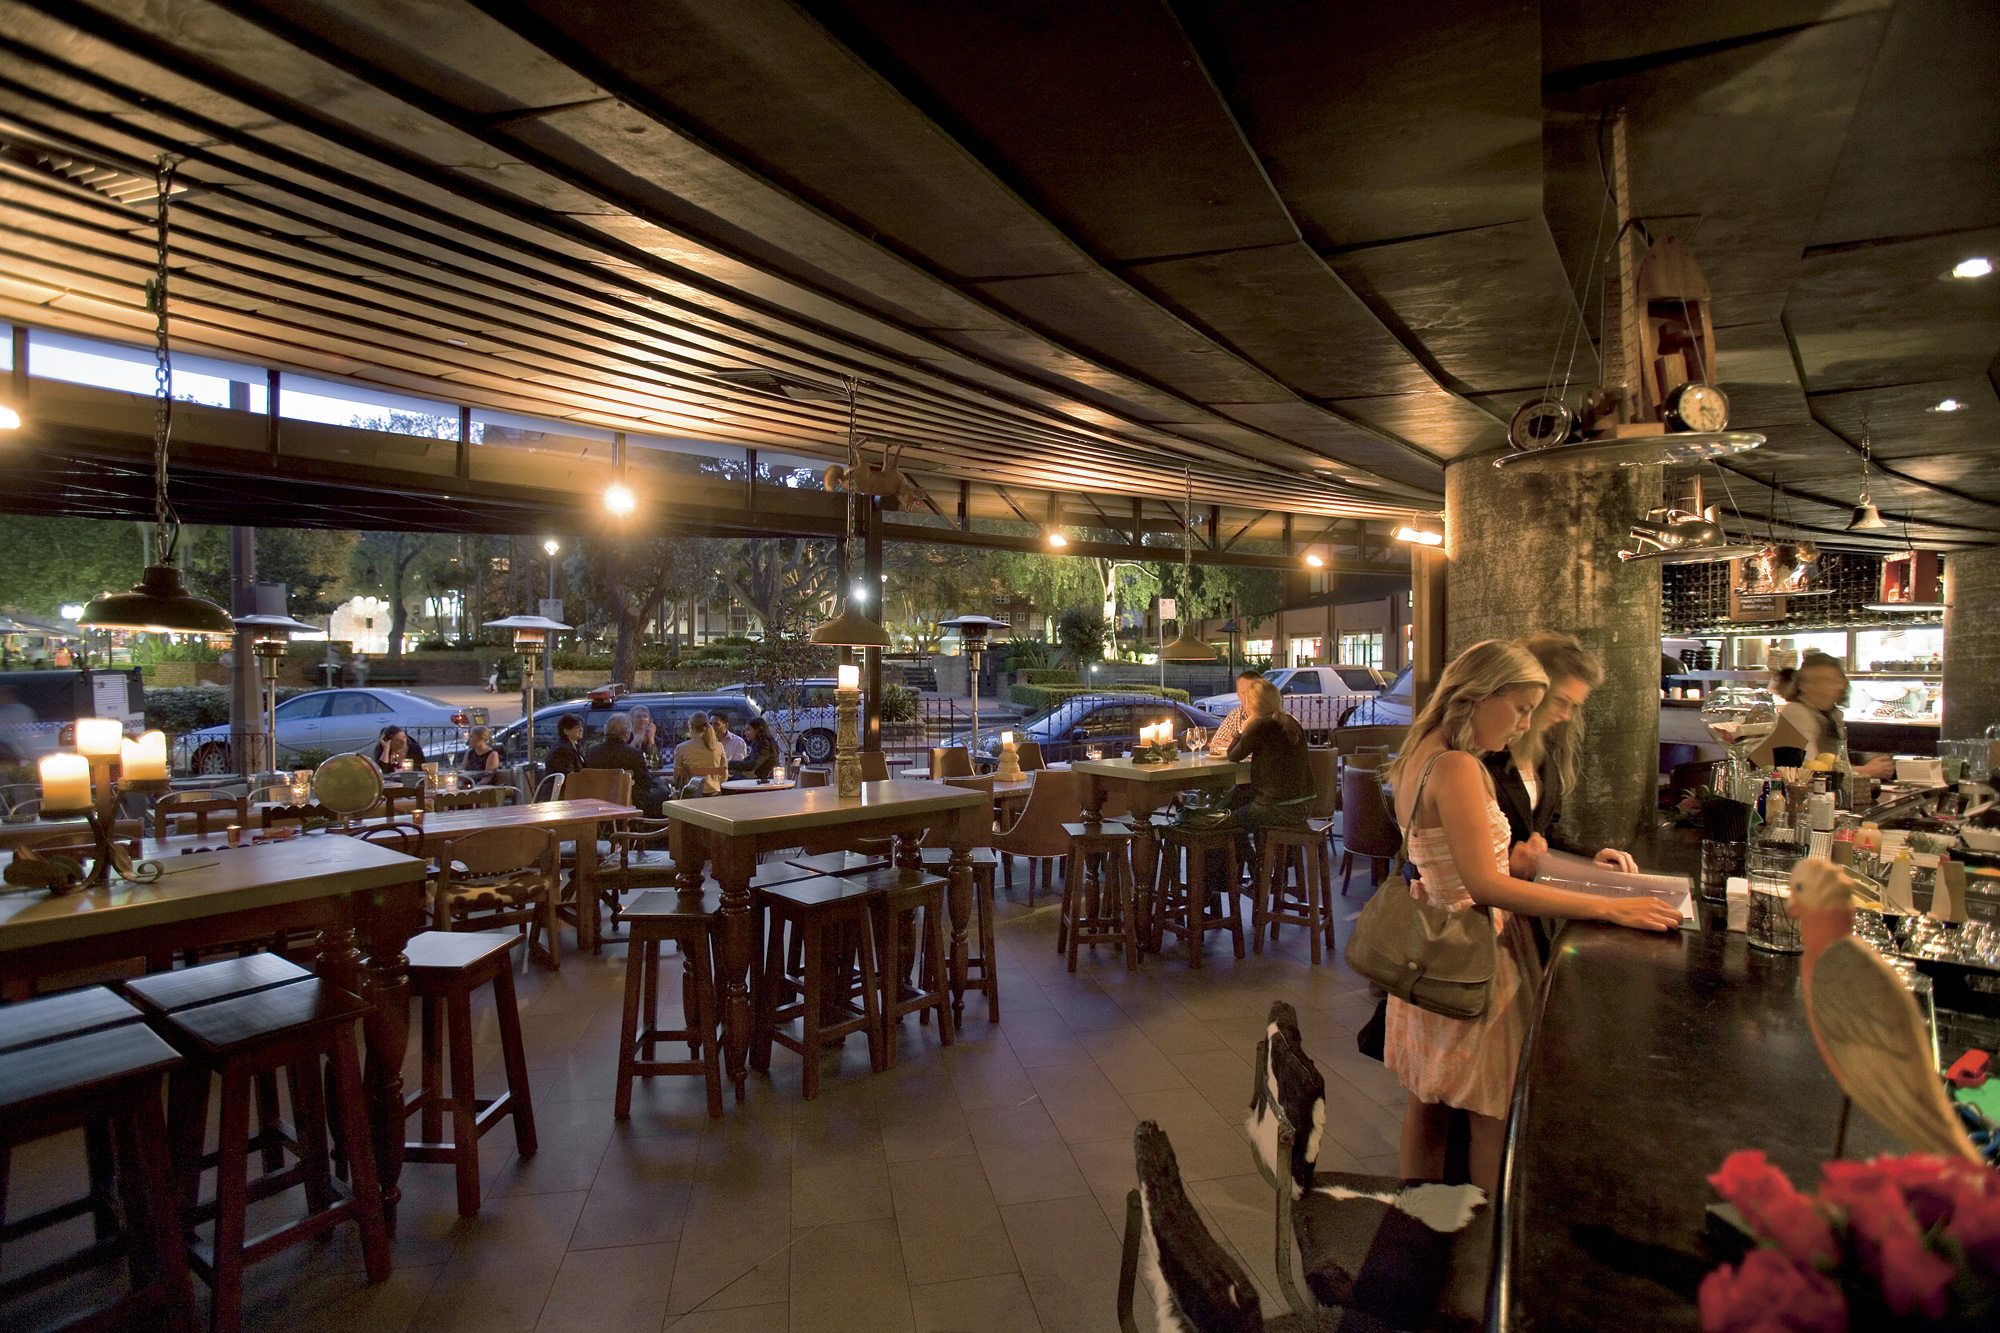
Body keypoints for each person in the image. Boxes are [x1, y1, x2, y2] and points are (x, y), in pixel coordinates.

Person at [1385, 639, 1681, 1194]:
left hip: (1428, 950)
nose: (1525, 726)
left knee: (1426, 1106)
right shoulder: (1457, 765)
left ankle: (1417, 1231)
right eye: (1521, 708)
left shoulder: (1415, 755)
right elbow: (1486, 885)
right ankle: (1489, 1254)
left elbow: (1443, 859)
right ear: (1479, 694)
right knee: (1492, 1118)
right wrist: (1610, 906)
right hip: (1477, 955)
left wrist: (1519, 860)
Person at [1485, 633, 1639, 881]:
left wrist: (1591, 859)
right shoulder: (1483, 751)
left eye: (1574, 706)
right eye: (1560, 701)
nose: (1567, 715)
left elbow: (1546, 833)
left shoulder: (1544, 748)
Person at [1748, 652, 1895, 778]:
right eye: (1818, 681)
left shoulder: (1833, 714)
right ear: (1803, 685)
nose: (1831, 686)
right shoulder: (1796, 713)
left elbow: (1833, 765)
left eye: (1832, 680)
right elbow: (1808, 772)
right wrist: (1867, 771)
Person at [1223, 677, 1316, 838]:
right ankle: (1252, 860)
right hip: (1304, 805)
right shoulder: (1292, 723)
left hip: (1278, 808)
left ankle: (1243, 860)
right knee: (1239, 792)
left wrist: (1242, 729)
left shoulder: (1259, 725)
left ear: (1252, 704)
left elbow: (1233, 756)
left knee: (1224, 823)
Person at [584, 712, 661, 815]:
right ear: (627, 732)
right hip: (627, 801)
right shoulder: (634, 754)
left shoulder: (591, 752)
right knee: (662, 792)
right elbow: (645, 782)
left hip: (597, 802)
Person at [1205, 668, 1264, 755]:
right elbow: (1215, 745)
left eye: (1252, 692)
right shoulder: (1235, 715)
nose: (1248, 696)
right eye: (1244, 693)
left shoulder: (1272, 717)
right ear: (1238, 695)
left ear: (1262, 692)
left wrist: (1235, 745)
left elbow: (1268, 751)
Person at [672, 713, 726, 796]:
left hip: (690, 794)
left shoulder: (681, 748)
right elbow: (724, 774)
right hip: (714, 792)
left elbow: (677, 776)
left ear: (691, 726)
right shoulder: (718, 746)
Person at [546, 713, 587, 779]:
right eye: (577, 728)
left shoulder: (574, 745)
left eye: (581, 727)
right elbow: (569, 776)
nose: (581, 730)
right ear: (566, 731)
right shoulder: (561, 750)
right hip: (561, 788)